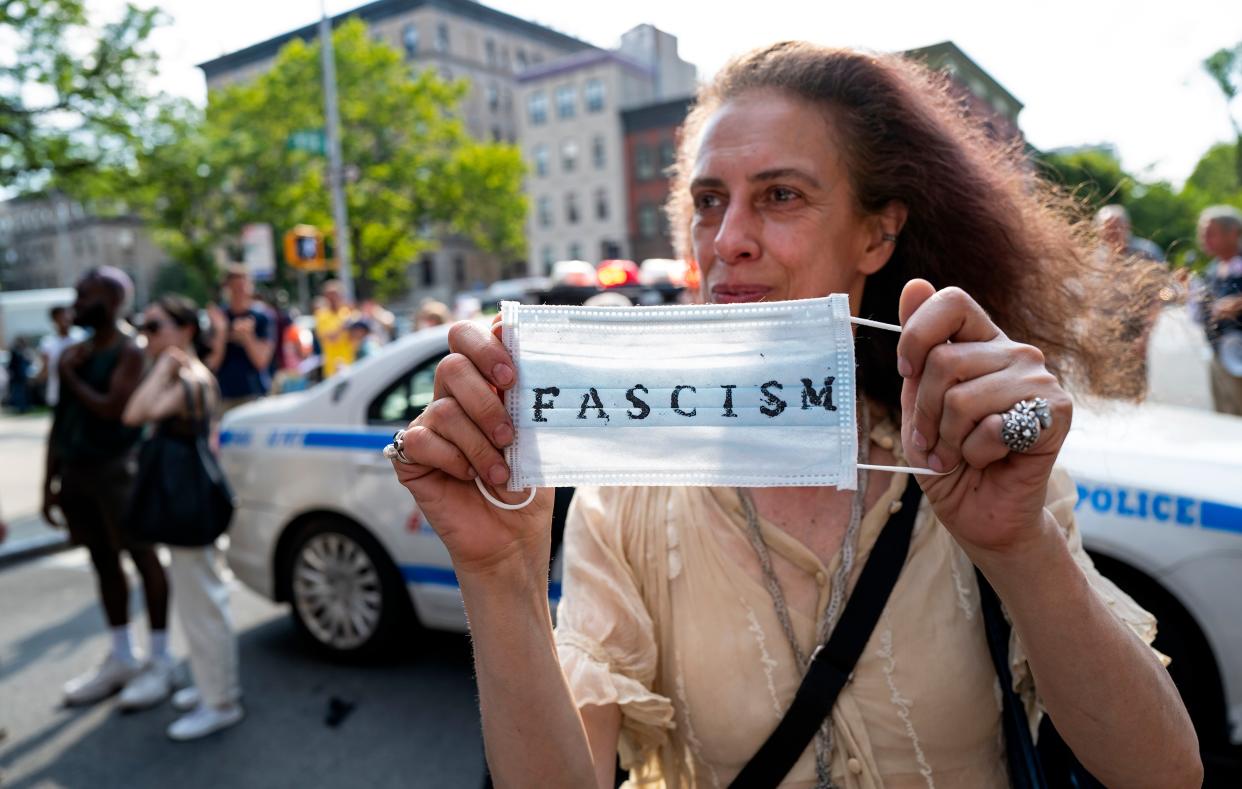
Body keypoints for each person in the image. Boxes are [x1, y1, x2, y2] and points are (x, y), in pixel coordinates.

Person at [389, 43, 1201, 787]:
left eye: (780, 195)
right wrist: (500, 581)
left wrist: (1021, 547)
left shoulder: (969, 447)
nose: (729, 239)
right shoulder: (629, 496)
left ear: (877, 235)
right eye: (709, 202)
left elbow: (1164, 774)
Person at [43, 267, 173, 707]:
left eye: (85, 295)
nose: (77, 302)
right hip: (79, 473)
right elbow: (60, 422)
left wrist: (69, 375)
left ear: (111, 299)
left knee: (143, 556)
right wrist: (49, 482)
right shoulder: (77, 352)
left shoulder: (129, 350)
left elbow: (112, 409)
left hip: (119, 472)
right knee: (102, 561)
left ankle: (159, 659)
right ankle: (122, 655)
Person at [123, 294, 245, 740]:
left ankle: (221, 701)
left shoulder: (188, 377)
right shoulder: (190, 373)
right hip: (188, 497)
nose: (147, 335)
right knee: (198, 598)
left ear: (185, 331)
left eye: (156, 326)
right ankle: (212, 687)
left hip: (187, 500)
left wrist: (159, 369)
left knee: (202, 603)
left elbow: (134, 413)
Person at [1194, 205, 1242, 415]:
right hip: (1220, 356)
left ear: (1233, 233)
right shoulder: (1211, 271)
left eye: (1210, 233)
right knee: (1225, 420)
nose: (1204, 239)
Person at [205, 265, 274, 410]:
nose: (240, 293)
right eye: (235, 288)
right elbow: (212, 363)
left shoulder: (262, 317)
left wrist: (247, 337)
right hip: (224, 395)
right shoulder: (219, 318)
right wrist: (222, 332)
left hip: (255, 393)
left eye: (243, 287)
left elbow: (261, 361)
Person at [37, 306, 87, 408]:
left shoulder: (81, 338)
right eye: (61, 317)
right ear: (54, 320)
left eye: (67, 316)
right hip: (57, 392)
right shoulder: (47, 343)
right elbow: (45, 368)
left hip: (80, 391)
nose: (65, 319)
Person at [1095, 204, 1166, 263]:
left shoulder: (1148, 252)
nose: (1112, 232)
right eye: (1107, 228)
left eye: (1117, 227)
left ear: (1127, 226)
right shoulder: (1095, 257)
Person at [313, 279, 356, 377]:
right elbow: (328, 338)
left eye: (335, 294)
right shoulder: (321, 315)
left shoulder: (347, 312)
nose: (332, 298)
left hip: (350, 362)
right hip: (331, 367)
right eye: (329, 295)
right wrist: (343, 327)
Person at [5, 337, 32, 413]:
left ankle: (23, 407)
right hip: (18, 376)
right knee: (18, 393)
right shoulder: (16, 352)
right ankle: (21, 407)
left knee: (22, 393)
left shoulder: (23, 352)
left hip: (21, 376)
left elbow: (28, 362)